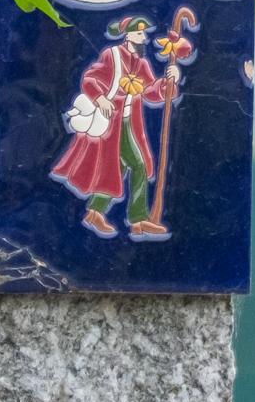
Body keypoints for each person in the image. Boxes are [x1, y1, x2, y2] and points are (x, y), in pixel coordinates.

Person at [50, 14, 179, 240]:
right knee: (136, 165)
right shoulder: (112, 56)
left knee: (116, 168)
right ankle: (138, 220)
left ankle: (96, 212)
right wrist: (100, 97)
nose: (143, 38)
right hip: (111, 122)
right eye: (139, 33)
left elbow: (151, 92)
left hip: (129, 122)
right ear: (127, 35)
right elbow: (90, 78)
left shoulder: (142, 63)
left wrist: (170, 81)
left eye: (144, 34)